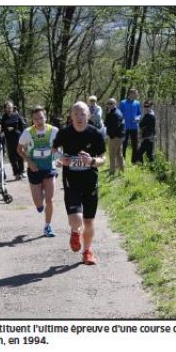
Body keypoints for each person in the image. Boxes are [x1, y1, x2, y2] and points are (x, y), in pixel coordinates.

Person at [52, 101, 106, 265]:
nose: (79, 117)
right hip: (71, 181)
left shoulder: (95, 134)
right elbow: (54, 150)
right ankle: (75, 231)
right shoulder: (64, 133)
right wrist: (61, 159)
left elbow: (103, 159)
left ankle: (87, 251)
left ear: (88, 115)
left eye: (82, 113)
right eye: (75, 113)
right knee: (76, 219)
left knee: (88, 221)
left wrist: (91, 161)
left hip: (90, 181)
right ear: (71, 116)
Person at [17, 106, 59, 237]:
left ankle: (48, 226)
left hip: (49, 168)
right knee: (38, 202)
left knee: (50, 199)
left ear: (45, 117)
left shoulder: (54, 131)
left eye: (41, 117)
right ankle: (39, 202)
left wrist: (59, 158)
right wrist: (29, 161)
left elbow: (59, 148)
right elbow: (19, 149)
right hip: (34, 169)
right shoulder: (27, 132)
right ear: (32, 120)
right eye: (35, 118)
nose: (39, 120)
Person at [1, 101, 27, 180]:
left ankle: (22, 171)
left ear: (13, 108)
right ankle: (16, 173)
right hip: (9, 139)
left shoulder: (17, 115)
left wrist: (22, 136)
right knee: (12, 157)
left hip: (17, 138)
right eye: (7, 108)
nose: (9, 109)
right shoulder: (3, 117)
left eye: (10, 108)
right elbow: (2, 128)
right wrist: (6, 129)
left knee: (19, 154)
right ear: (5, 109)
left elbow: (22, 127)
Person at [119, 88, 142, 164]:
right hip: (125, 127)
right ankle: (123, 161)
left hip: (134, 126)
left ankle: (134, 161)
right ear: (131, 94)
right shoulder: (123, 103)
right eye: (136, 93)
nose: (137, 95)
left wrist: (137, 118)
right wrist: (122, 120)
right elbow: (119, 114)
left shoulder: (137, 103)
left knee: (135, 144)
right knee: (124, 144)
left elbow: (139, 113)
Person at [104, 98, 125, 174]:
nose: (109, 105)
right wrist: (108, 114)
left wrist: (111, 136)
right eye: (108, 103)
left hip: (116, 137)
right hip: (118, 136)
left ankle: (112, 171)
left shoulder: (116, 113)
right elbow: (105, 123)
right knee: (119, 154)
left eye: (111, 103)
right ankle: (122, 171)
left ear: (115, 104)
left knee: (112, 154)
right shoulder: (111, 112)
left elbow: (115, 126)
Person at [138, 100, 156, 165]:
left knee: (140, 153)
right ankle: (152, 166)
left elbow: (141, 124)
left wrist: (142, 125)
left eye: (147, 106)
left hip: (148, 137)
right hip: (149, 136)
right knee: (149, 154)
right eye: (144, 106)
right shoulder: (149, 114)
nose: (146, 107)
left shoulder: (149, 115)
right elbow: (142, 125)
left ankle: (142, 166)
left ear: (151, 106)